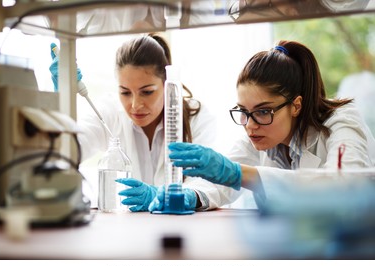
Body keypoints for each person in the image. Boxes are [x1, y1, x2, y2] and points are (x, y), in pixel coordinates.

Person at [149, 39, 375, 212]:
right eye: (244, 112)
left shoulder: (342, 120)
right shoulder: (259, 134)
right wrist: (187, 195)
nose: (250, 125)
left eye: (263, 111)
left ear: (295, 106)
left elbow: (345, 184)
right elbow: (221, 185)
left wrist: (241, 174)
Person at [49, 33, 218, 212]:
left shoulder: (196, 118)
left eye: (147, 92)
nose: (135, 105)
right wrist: (60, 103)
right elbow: (65, 152)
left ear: (167, 84)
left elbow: (212, 183)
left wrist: (184, 196)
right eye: (125, 92)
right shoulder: (109, 112)